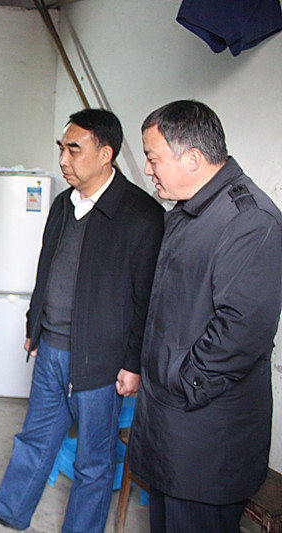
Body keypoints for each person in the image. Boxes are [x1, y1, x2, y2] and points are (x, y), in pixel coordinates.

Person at [0, 109, 165, 533]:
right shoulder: (62, 204)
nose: (62, 159)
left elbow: (145, 298)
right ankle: (10, 510)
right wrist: (33, 326)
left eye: (74, 149)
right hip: (51, 350)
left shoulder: (140, 214)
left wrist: (133, 363)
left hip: (100, 361)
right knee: (35, 439)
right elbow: (46, 270)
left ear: (106, 154)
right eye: (61, 148)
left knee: (94, 460)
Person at [127, 100, 282, 533]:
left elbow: (240, 332)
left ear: (192, 158)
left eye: (153, 158)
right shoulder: (190, 211)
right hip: (171, 427)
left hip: (205, 440)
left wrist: (182, 382)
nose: (148, 170)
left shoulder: (250, 221)